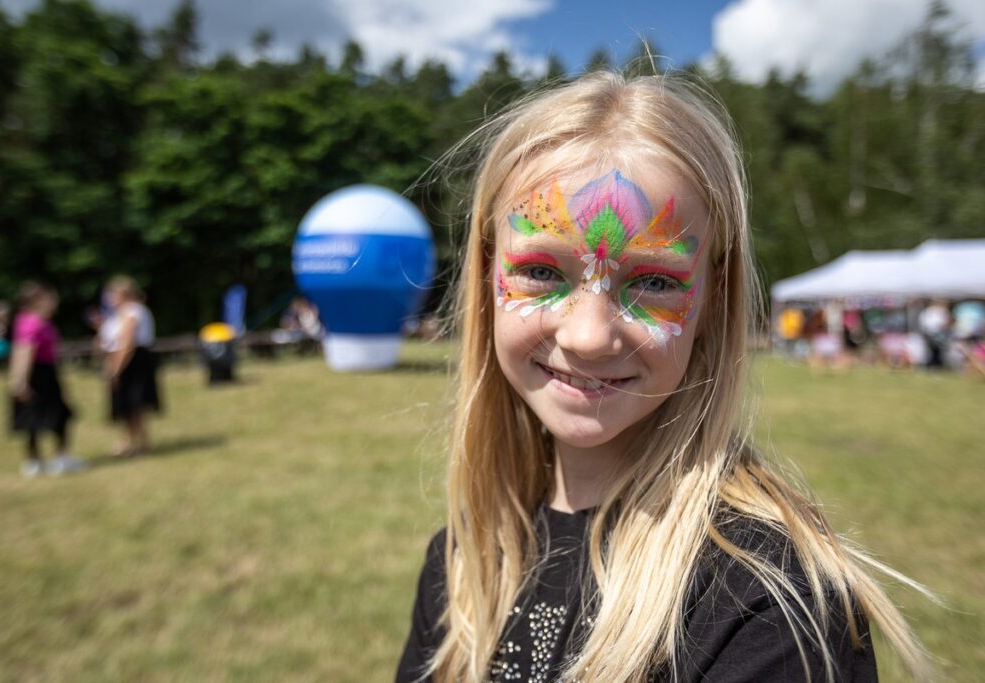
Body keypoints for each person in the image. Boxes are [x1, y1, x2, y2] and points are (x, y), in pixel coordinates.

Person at [396, 72, 932, 682]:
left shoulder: (768, 604)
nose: (589, 336)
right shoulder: (464, 564)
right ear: (488, 275)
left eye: (653, 282)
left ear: (712, 299)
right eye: (543, 272)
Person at [8, 282, 83, 477]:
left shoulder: (40, 321)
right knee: (34, 416)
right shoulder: (32, 322)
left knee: (58, 414)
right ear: (38, 300)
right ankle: (36, 462)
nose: (55, 302)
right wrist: (20, 381)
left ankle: (57, 458)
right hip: (37, 374)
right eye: (51, 298)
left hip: (46, 371)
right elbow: (23, 351)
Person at [99, 276, 160, 456]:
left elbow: (127, 342)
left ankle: (139, 443)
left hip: (132, 362)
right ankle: (130, 441)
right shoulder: (121, 313)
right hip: (125, 359)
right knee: (128, 405)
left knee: (134, 403)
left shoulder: (132, 312)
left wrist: (116, 368)